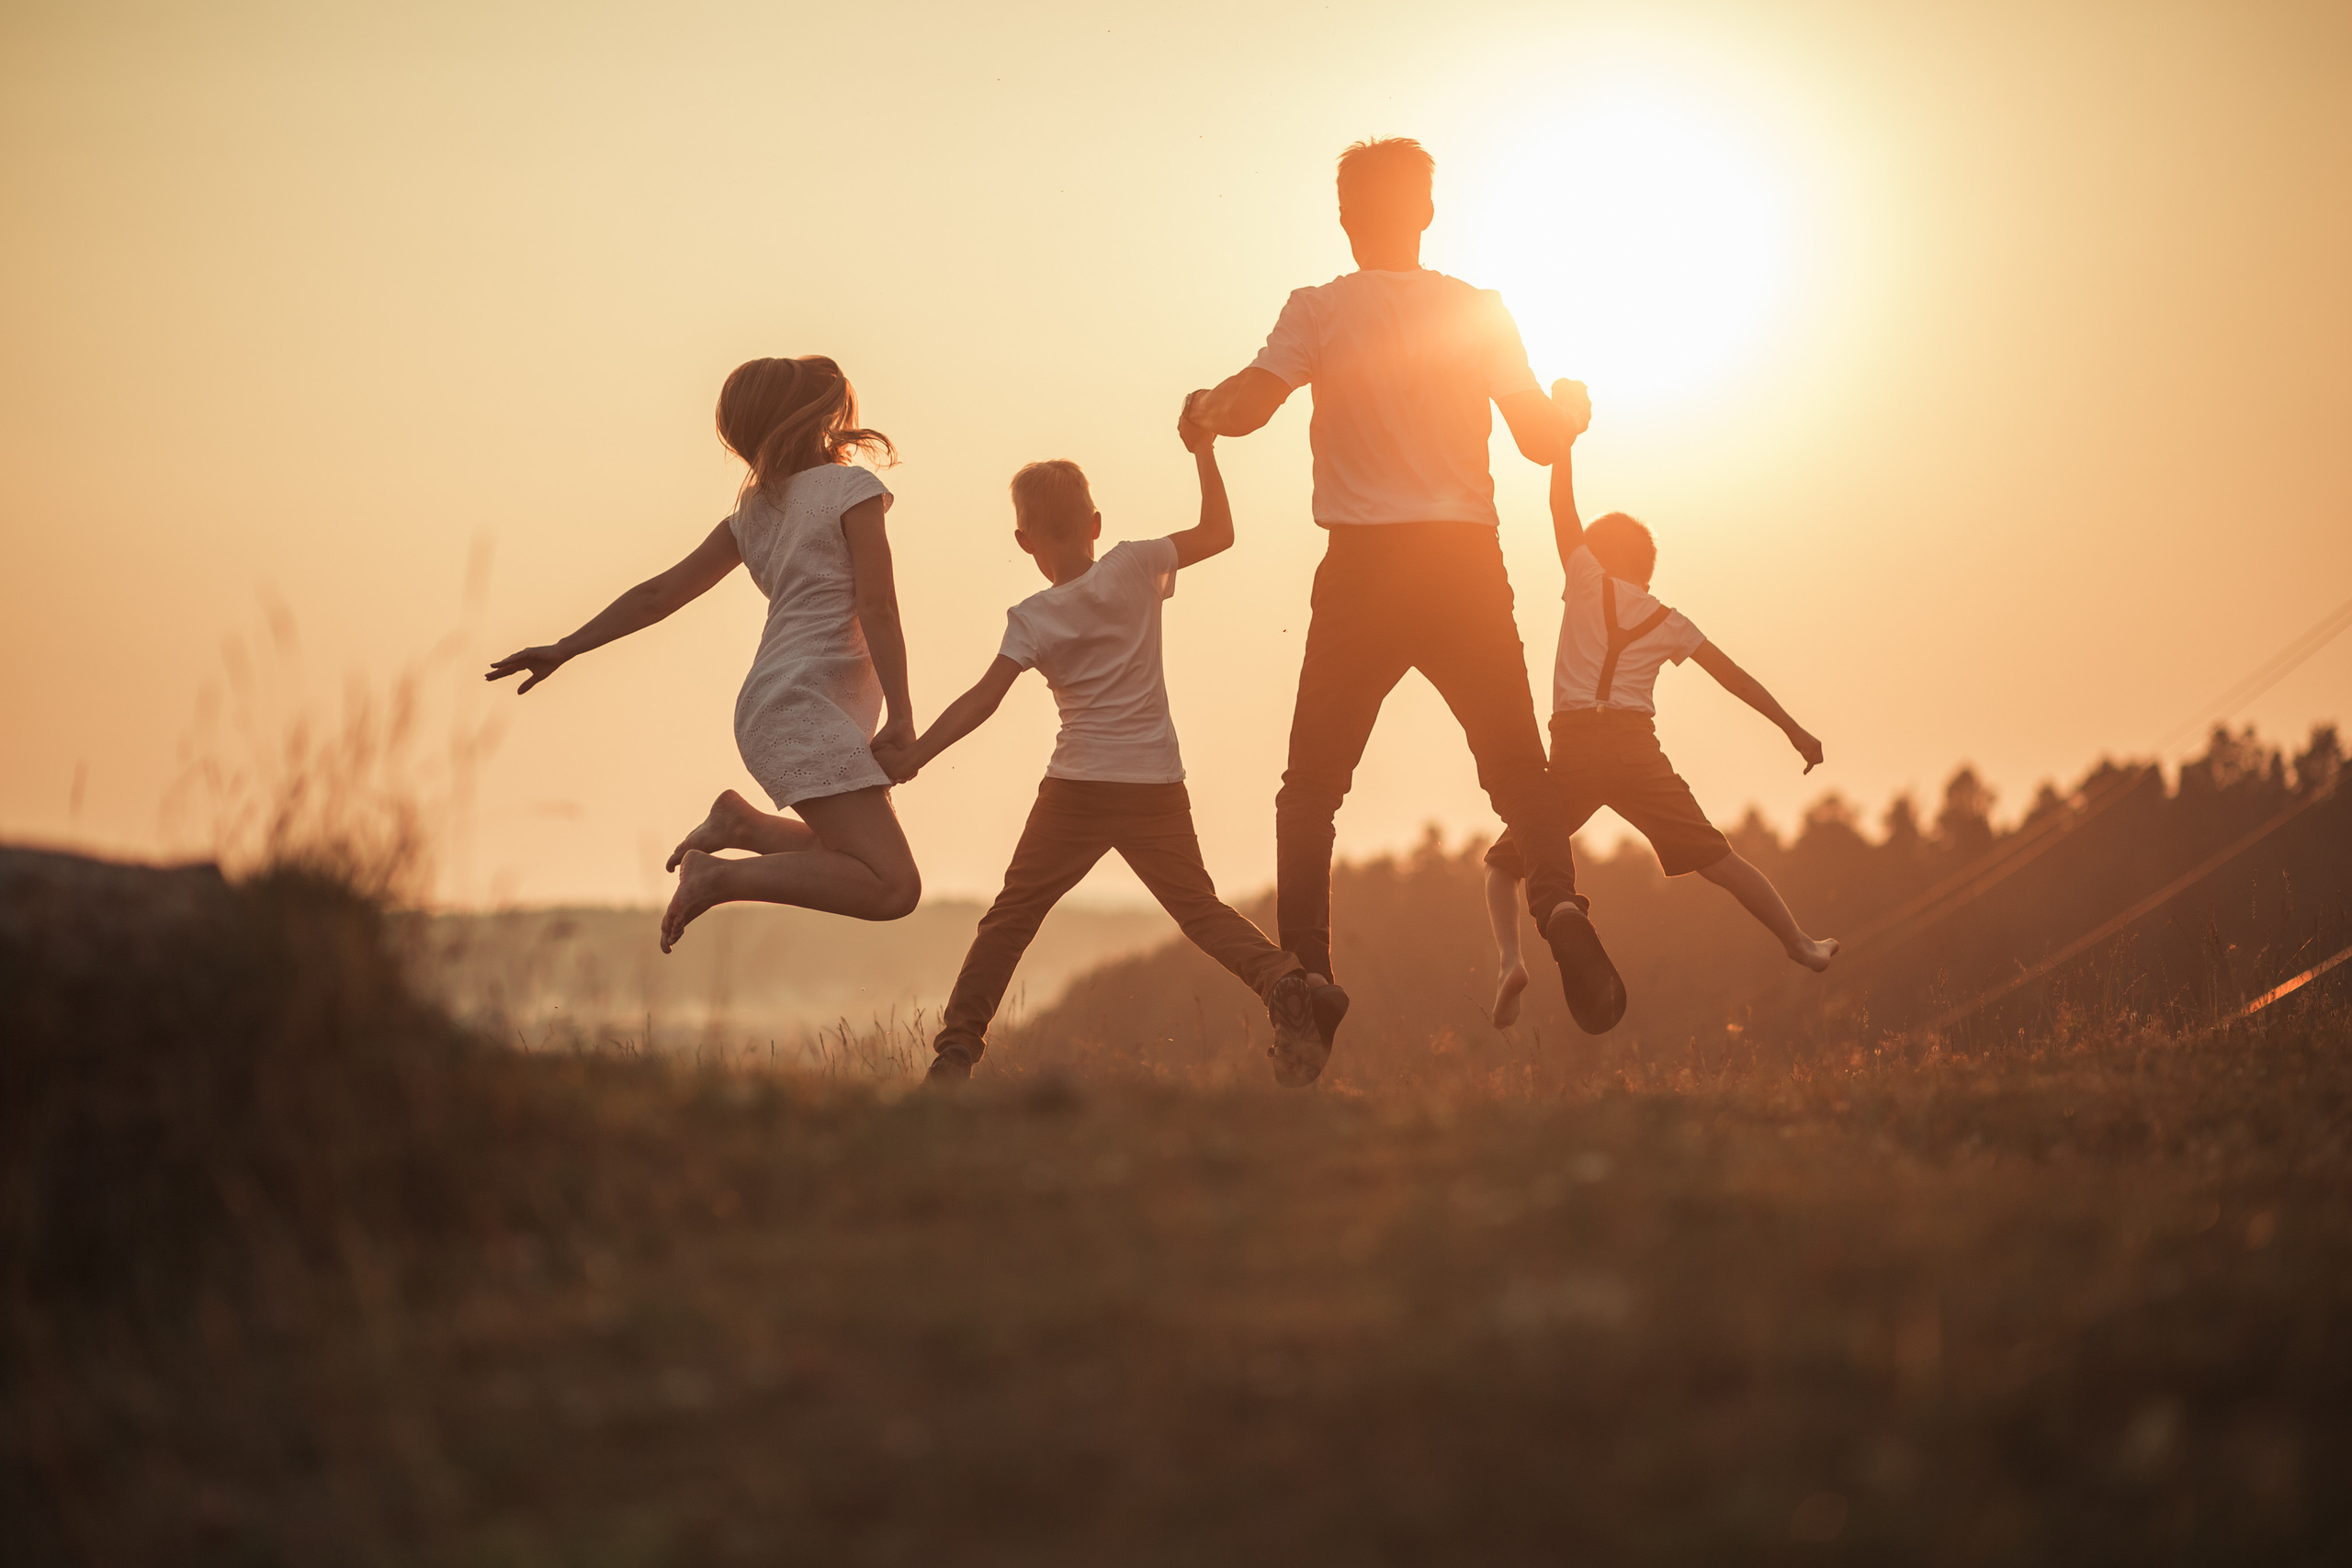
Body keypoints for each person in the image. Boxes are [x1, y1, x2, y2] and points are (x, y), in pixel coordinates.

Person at [1181, 135, 1626, 1043]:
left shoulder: (1319, 310)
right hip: (1464, 560)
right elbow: (1541, 439)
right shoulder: (1478, 311)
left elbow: (1250, 406)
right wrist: (1574, 412)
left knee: (1311, 788)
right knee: (1516, 770)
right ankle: (1560, 907)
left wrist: (1204, 410)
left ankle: (1305, 976)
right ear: (1426, 212)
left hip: (1364, 568)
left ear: (1345, 220)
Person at [876, 414, 1336, 1087]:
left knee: (1010, 918)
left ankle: (955, 1051)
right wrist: (1205, 451)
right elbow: (1220, 533)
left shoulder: (1031, 617)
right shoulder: (1136, 562)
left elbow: (983, 699)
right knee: (1201, 911)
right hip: (1154, 781)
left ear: (1022, 539)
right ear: (1094, 522)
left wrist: (916, 753)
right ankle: (1288, 980)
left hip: (1079, 788)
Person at [486, 355, 923, 953]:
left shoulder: (753, 514)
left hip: (772, 707)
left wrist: (567, 646)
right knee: (891, 886)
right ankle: (719, 874)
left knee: (850, 860)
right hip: (805, 706)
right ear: (814, 415)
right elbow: (878, 608)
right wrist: (901, 714)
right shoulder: (851, 489)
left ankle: (741, 826)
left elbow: (659, 594)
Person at [1482, 379, 1839, 1026]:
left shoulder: (1584, 577)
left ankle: (1511, 960)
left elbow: (1560, 504)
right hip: (1636, 750)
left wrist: (1564, 441)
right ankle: (1801, 943)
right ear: (1646, 568)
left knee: (1504, 864)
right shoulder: (1667, 618)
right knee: (1720, 859)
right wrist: (1793, 729)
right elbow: (1734, 677)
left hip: (1575, 750)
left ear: (1598, 554)